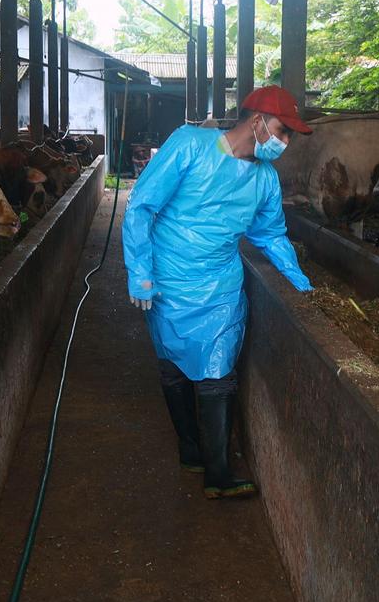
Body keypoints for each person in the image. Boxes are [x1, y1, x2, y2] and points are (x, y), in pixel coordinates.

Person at [122, 86, 314, 499]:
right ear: (257, 120)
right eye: (282, 131)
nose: (284, 143)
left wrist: (300, 282)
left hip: (221, 286)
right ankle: (190, 450)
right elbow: (142, 205)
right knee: (171, 364)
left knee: (218, 373)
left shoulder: (264, 179)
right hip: (169, 280)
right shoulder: (189, 145)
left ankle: (218, 470)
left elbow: (270, 234)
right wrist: (140, 273)